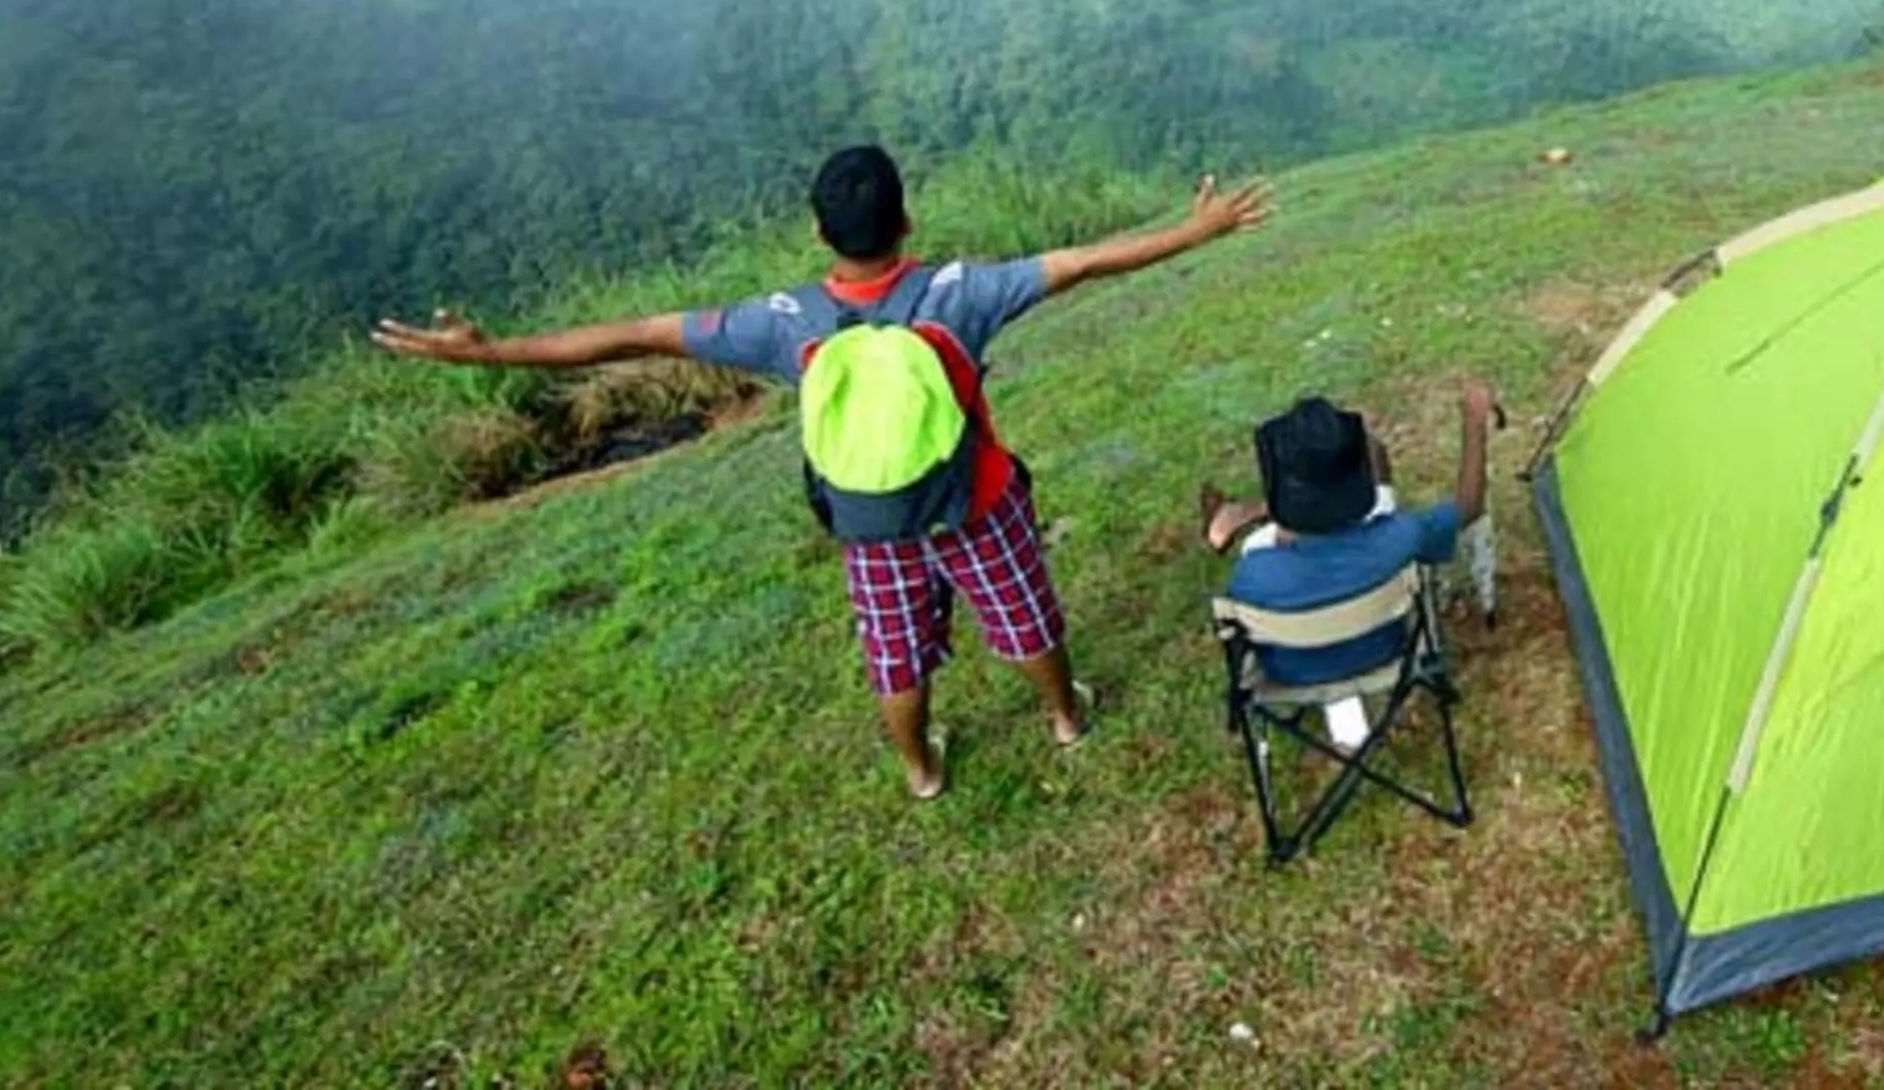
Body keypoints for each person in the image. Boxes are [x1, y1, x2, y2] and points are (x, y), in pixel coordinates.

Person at [374, 145, 1271, 799]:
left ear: (818, 233)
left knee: (897, 654)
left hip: (871, 526)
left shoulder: (787, 322)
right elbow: (1084, 263)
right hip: (977, 500)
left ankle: (922, 769)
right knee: (1023, 615)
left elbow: (633, 333)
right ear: (907, 223)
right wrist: (1199, 228)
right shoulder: (962, 293)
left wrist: (494, 352)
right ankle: (1066, 718)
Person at [1219, 381, 1495, 699]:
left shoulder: (1254, 572)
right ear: (1358, 485)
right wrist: (1474, 423)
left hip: (1290, 675)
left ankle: (1234, 514)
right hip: (1385, 655)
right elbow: (1469, 506)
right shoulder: (1398, 538)